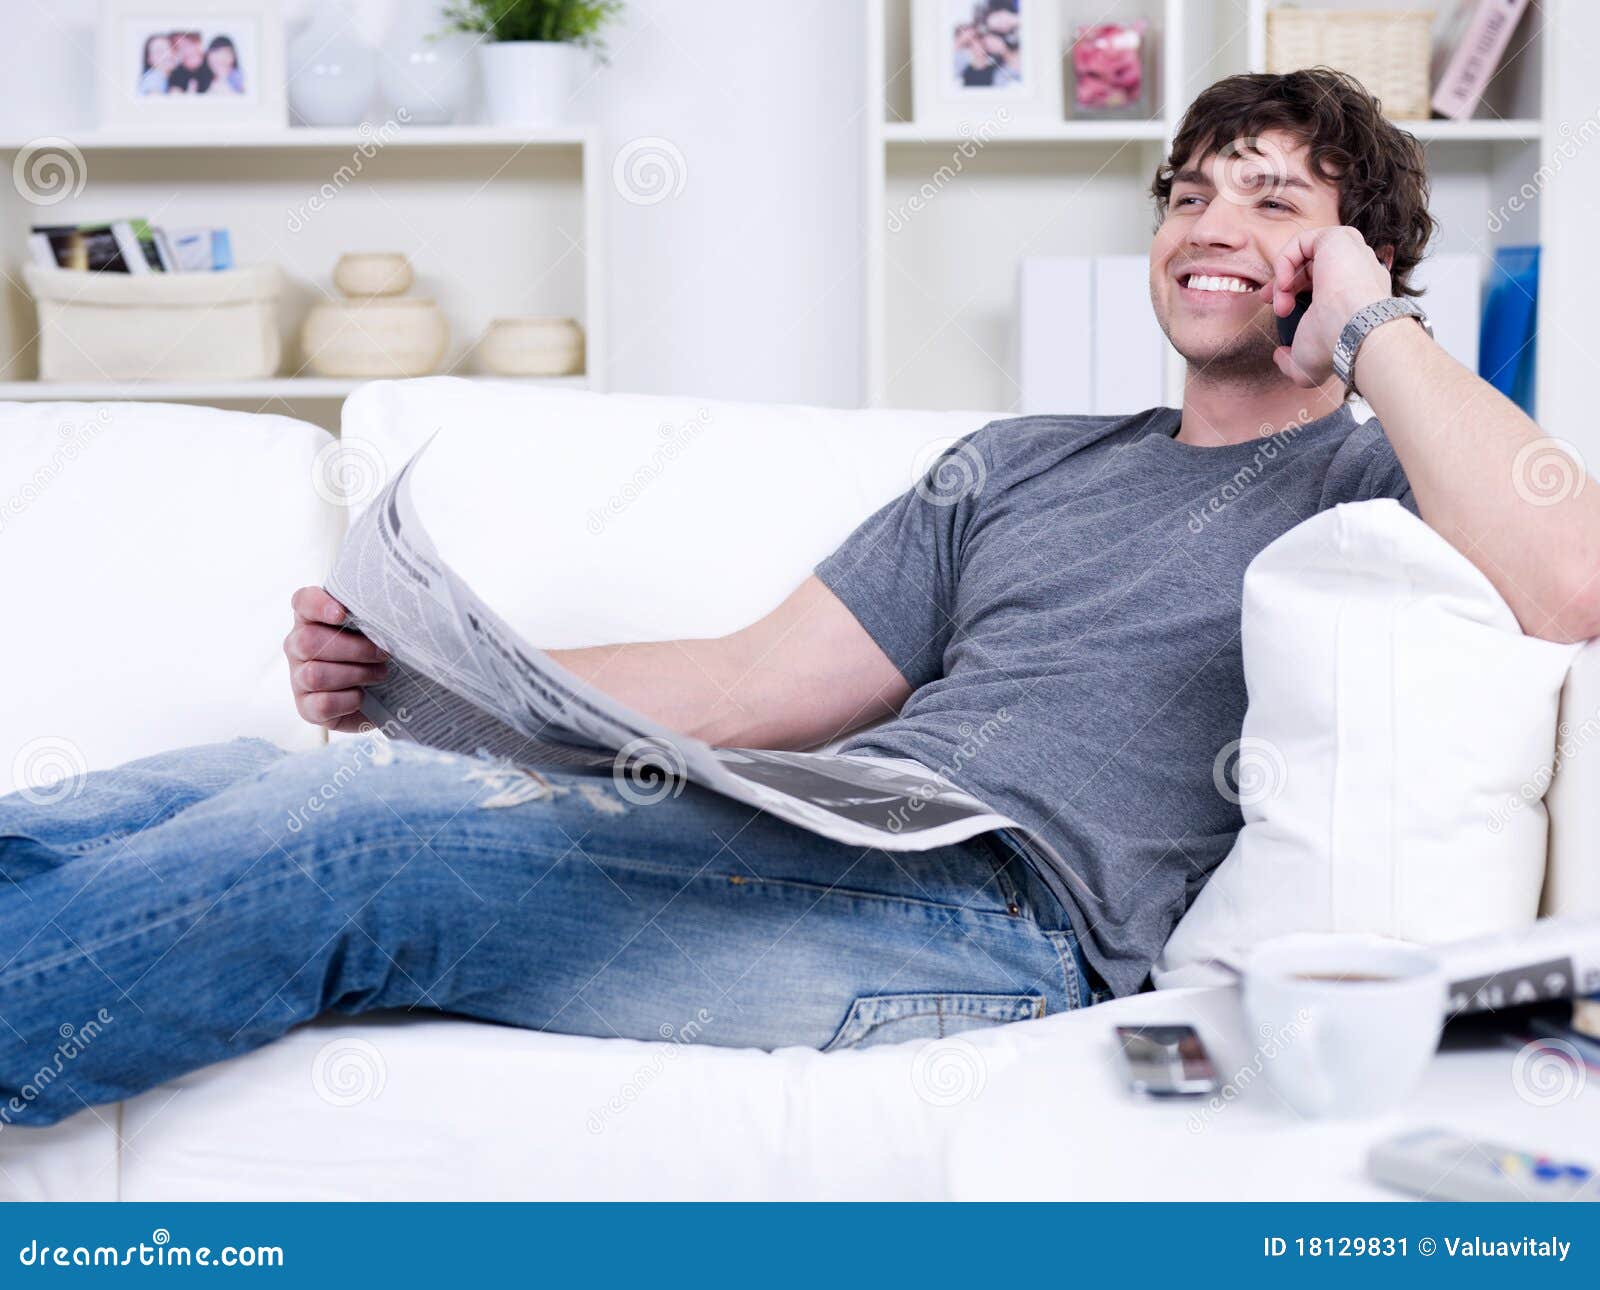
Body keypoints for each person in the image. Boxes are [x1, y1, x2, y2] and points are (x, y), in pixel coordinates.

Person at [3, 70, 1596, 1125]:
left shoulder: (1384, 475)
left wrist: (1379, 332)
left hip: (1002, 925)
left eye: (1271, 200)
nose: (1210, 227)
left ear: (1360, 255)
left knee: (358, 847)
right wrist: (429, 672)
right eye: (1190, 193)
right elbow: (755, 683)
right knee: (245, 783)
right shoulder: (1021, 460)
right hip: (826, 825)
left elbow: (1574, 576)